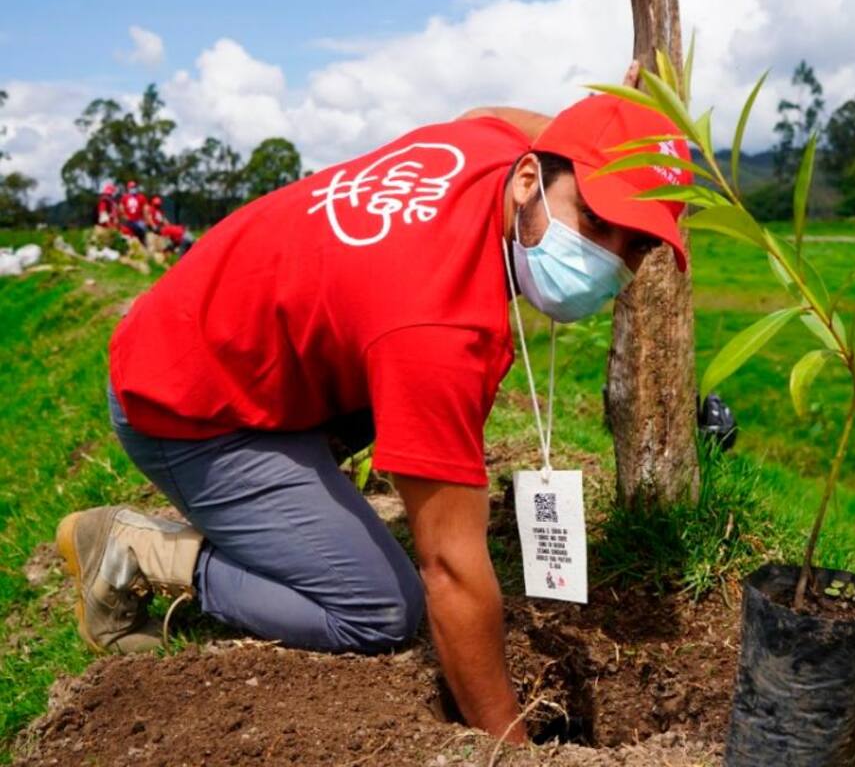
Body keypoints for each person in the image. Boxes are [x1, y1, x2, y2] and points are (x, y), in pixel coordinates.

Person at [55, 84, 691, 742]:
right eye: (593, 221)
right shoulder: (435, 329)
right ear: (530, 177)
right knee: (379, 609)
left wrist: (608, 137)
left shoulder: (492, 147)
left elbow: (488, 114)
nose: (609, 257)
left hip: (217, 331)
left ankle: (296, 501)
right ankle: (141, 552)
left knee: (395, 406)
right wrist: (513, 747)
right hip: (184, 405)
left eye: (636, 245)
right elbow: (449, 570)